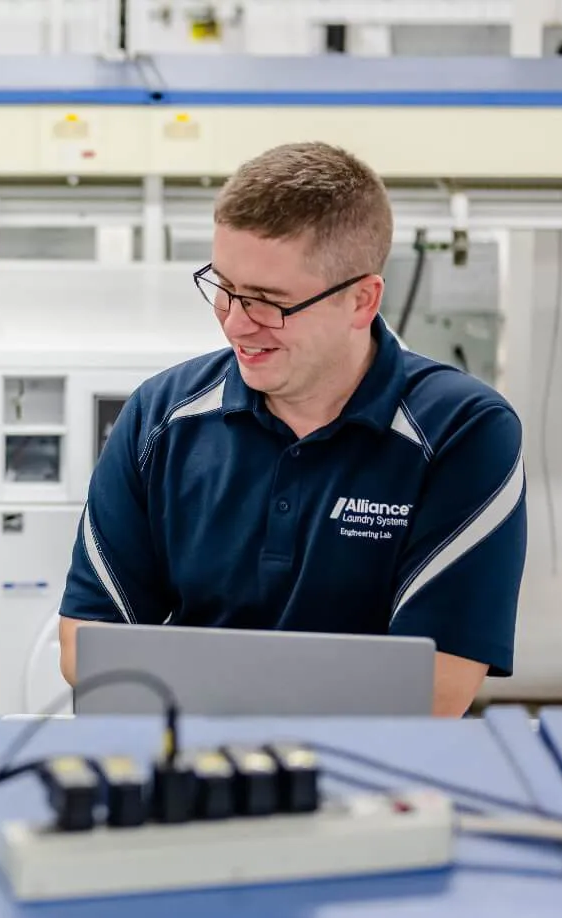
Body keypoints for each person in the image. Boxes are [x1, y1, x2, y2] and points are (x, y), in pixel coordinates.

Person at [58, 141, 526, 717]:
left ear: (361, 300)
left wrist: (194, 680)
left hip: (370, 778)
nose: (235, 323)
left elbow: (435, 688)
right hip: (189, 769)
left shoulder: (462, 434)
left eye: (267, 302)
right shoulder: (161, 417)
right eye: (223, 288)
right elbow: (88, 647)